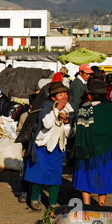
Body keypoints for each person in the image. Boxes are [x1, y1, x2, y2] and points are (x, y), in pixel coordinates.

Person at [24, 81, 76, 211]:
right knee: (38, 174)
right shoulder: (47, 106)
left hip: (58, 147)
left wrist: (67, 122)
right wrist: (57, 109)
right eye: (60, 94)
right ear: (53, 97)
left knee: (55, 176)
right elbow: (46, 124)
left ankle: (52, 202)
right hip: (42, 145)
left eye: (65, 93)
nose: (64, 96)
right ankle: (35, 199)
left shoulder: (71, 109)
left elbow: (70, 134)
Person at [72, 79, 112, 206]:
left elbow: (77, 130)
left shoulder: (83, 109)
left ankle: (86, 204)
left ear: (89, 94)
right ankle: (101, 203)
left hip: (87, 149)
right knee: (104, 176)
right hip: (106, 150)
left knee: (86, 177)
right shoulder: (111, 108)